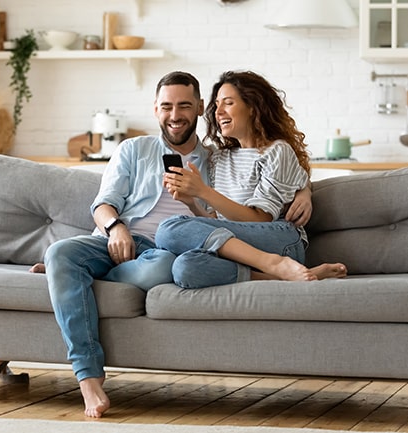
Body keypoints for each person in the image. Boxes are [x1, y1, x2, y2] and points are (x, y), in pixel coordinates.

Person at [38, 71, 312, 418]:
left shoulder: (216, 157)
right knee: (60, 252)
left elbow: (271, 170)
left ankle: (69, 277)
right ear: (155, 110)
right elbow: (103, 203)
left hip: (166, 251)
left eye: (184, 105)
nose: (175, 114)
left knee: (164, 264)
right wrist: (115, 227)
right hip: (117, 241)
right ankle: (88, 377)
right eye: (166, 106)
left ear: (200, 108)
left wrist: (306, 191)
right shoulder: (134, 149)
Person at [155, 70, 347, 288]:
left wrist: (203, 191)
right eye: (216, 105)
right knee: (185, 267)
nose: (218, 112)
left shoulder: (276, 151)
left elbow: (260, 219)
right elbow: (218, 223)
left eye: (228, 103)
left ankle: (275, 263)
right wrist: (191, 202)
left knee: (168, 229)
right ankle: (280, 274)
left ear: (253, 107)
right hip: (239, 245)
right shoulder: (219, 158)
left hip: (278, 240)